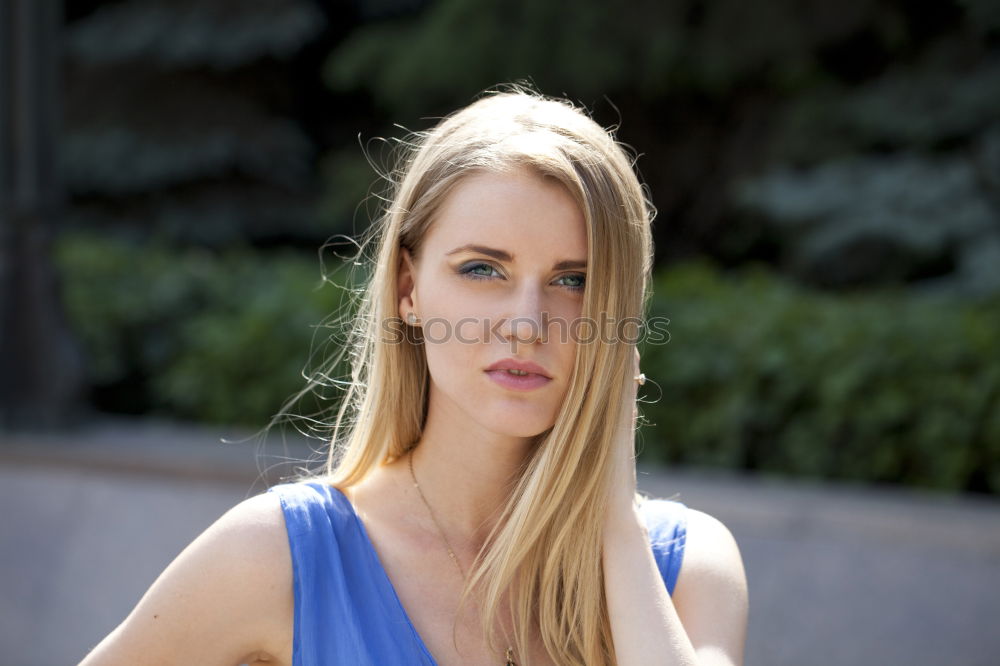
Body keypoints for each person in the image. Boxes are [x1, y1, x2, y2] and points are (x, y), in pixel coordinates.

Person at [80, 86, 748, 666]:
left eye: (574, 280)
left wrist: (612, 525)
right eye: (483, 269)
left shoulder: (685, 567)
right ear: (408, 287)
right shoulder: (279, 555)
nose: (526, 323)